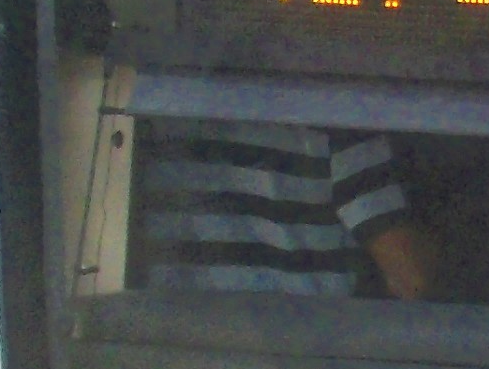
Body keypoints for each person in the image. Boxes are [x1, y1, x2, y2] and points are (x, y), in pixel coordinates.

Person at [132, 116, 437, 297]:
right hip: (299, 360)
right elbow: (409, 277)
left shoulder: (142, 113)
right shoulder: (339, 115)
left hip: (171, 346)